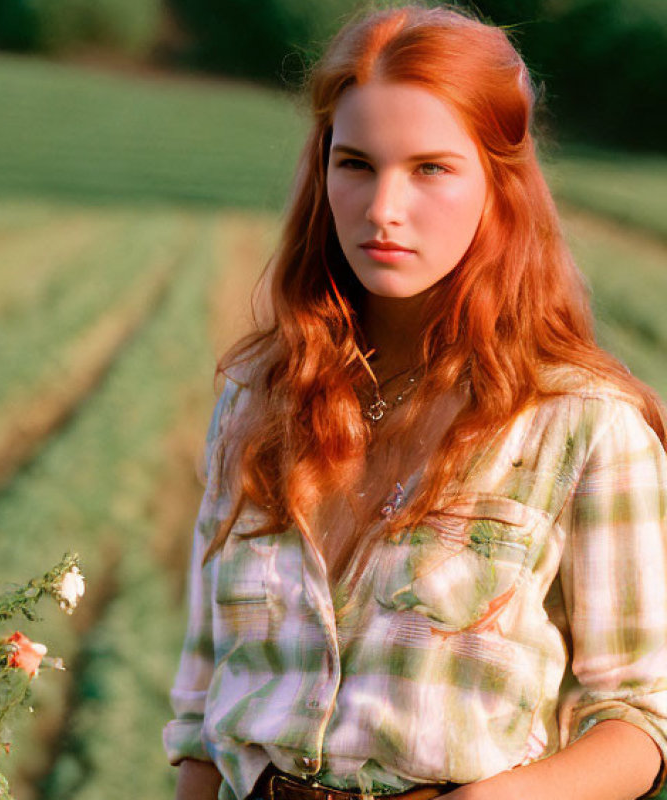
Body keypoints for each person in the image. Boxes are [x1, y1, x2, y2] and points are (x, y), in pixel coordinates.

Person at [162, 5, 667, 800]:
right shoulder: (257, 400)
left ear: (500, 186)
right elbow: (202, 703)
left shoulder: (587, 425)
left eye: (431, 168)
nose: (383, 208)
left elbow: (640, 715)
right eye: (356, 163)